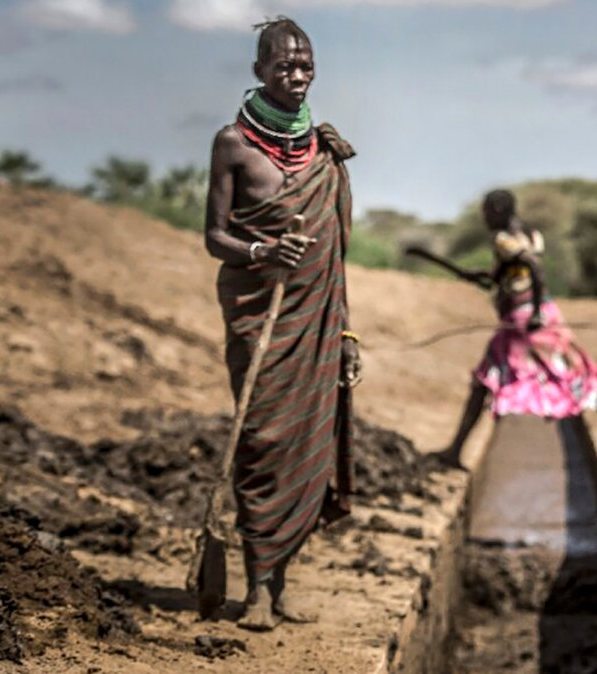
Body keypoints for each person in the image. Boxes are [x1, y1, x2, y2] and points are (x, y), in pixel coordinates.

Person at [203, 16, 360, 631]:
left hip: (318, 322)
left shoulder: (326, 152)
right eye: (283, 65)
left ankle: (281, 583)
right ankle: (254, 589)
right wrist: (260, 253)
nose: (296, 76)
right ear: (258, 71)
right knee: (262, 442)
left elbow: (338, 258)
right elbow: (214, 236)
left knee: (307, 448)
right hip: (258, 318)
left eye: (305, 65)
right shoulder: (232, 144)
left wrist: (346, 333)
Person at [437, 188, 597, 469]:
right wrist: (484, 276)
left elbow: (531, 268)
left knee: (485, 378)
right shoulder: (531, 234)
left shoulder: (503, 239)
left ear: (497, 209)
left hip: (525, 320)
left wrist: (532, 313)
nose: (485, 219)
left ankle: (456, 450)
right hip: (547, 312)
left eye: (487, 212)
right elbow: (515, 271)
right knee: (570, 375)